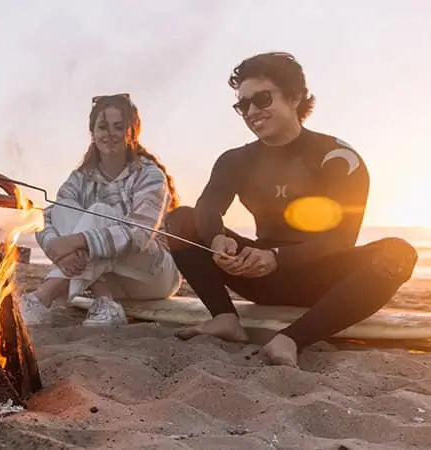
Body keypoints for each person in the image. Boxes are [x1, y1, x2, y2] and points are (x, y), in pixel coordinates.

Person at [165, 52, 418, 367]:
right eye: (243, 105)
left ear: (295, 97)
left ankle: (292, 339)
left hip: (322, 279)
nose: (251, 112)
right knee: (179, 219)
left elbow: (341, 239)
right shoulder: (235, 160)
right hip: (258, 276)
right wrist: (217, 239)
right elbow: (208, 207)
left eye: (262, 99)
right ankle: (225, 318)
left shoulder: (337, 156)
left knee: (398, 253)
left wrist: (277, 259)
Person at [20, 93, 182, 327]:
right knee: (63, 208)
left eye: (119, 126)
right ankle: (105, 301)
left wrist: (76, 241)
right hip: (106, 277)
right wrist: (57, 250)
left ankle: (43, 295)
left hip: (153, 276)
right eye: (103, 127)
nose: (110, 134)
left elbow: (138, 235)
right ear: (93, 133)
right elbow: (48, 217)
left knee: (100, 211)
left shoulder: (150, 175)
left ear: (132, 131)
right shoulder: (80, 177)